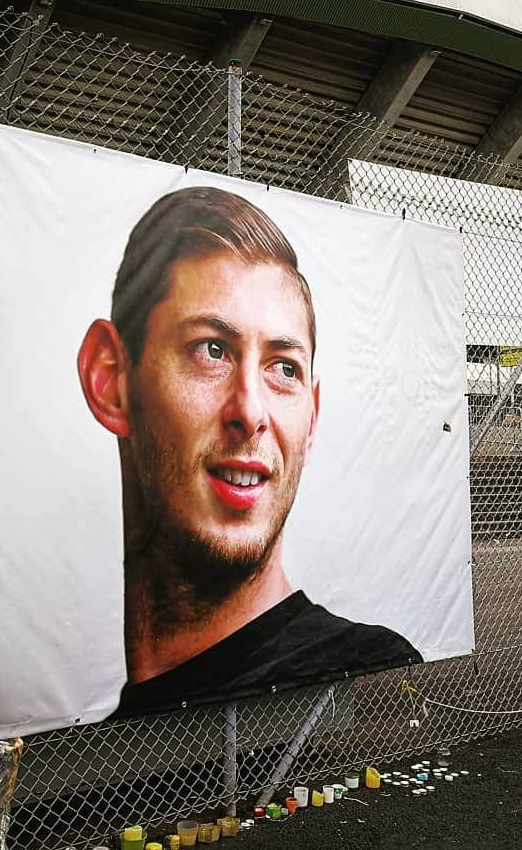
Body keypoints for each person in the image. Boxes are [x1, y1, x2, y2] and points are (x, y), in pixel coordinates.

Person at [76, 186, 420, 718]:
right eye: (211, 350)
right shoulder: (102, 729)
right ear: (111, 381)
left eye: (284, 368)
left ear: (312, 416)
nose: (251, 412)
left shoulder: (368, 673)